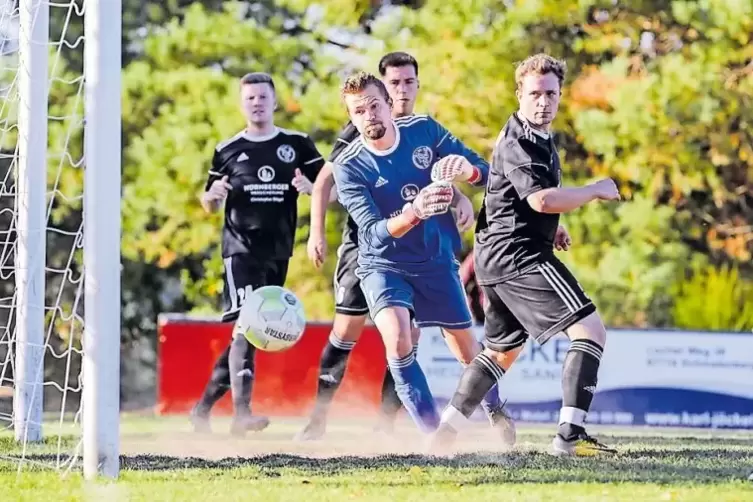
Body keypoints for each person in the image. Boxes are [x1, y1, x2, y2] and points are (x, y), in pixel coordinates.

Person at [429, 54, 621, 456]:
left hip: (496, 258)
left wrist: (554, 227)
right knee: (590, 332)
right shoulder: (518, 139)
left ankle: (445, 433)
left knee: (499, 352)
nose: (543, 102)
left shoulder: (536, 137)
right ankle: (569, 437)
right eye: (534, 93)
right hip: (519, 258)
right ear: (520, 94)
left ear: (560, 95)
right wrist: (594, 190)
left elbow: (515, 199)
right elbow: (541, 199)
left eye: (551, 94)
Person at [296, 52, 489, 441]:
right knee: (347, 330)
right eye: (395, 82)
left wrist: (459, 198)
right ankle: (318, 416)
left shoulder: (422, 130)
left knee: (407, 336)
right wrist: (316, 233)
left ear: (416, 86)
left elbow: (438, 178)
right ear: (383, 86)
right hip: (365, 246)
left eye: (408, 82)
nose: (402, 89)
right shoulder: (360, 129)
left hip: (418, 249)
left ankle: (389, 423)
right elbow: (324, 181)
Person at [190, 72, 325, 436]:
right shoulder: (228, 148)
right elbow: (207, 200)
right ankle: (241, 414)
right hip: (241, 251)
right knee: (247, 326)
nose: (257, 103)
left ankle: (202, 409)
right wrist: (211, 196)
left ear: (275, 100)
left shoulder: (297, 144)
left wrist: (310, 187)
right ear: (242, 103)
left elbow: (331, 186)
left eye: (263, 97)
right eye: (250, 98)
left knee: (250, 332)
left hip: (279, 251)